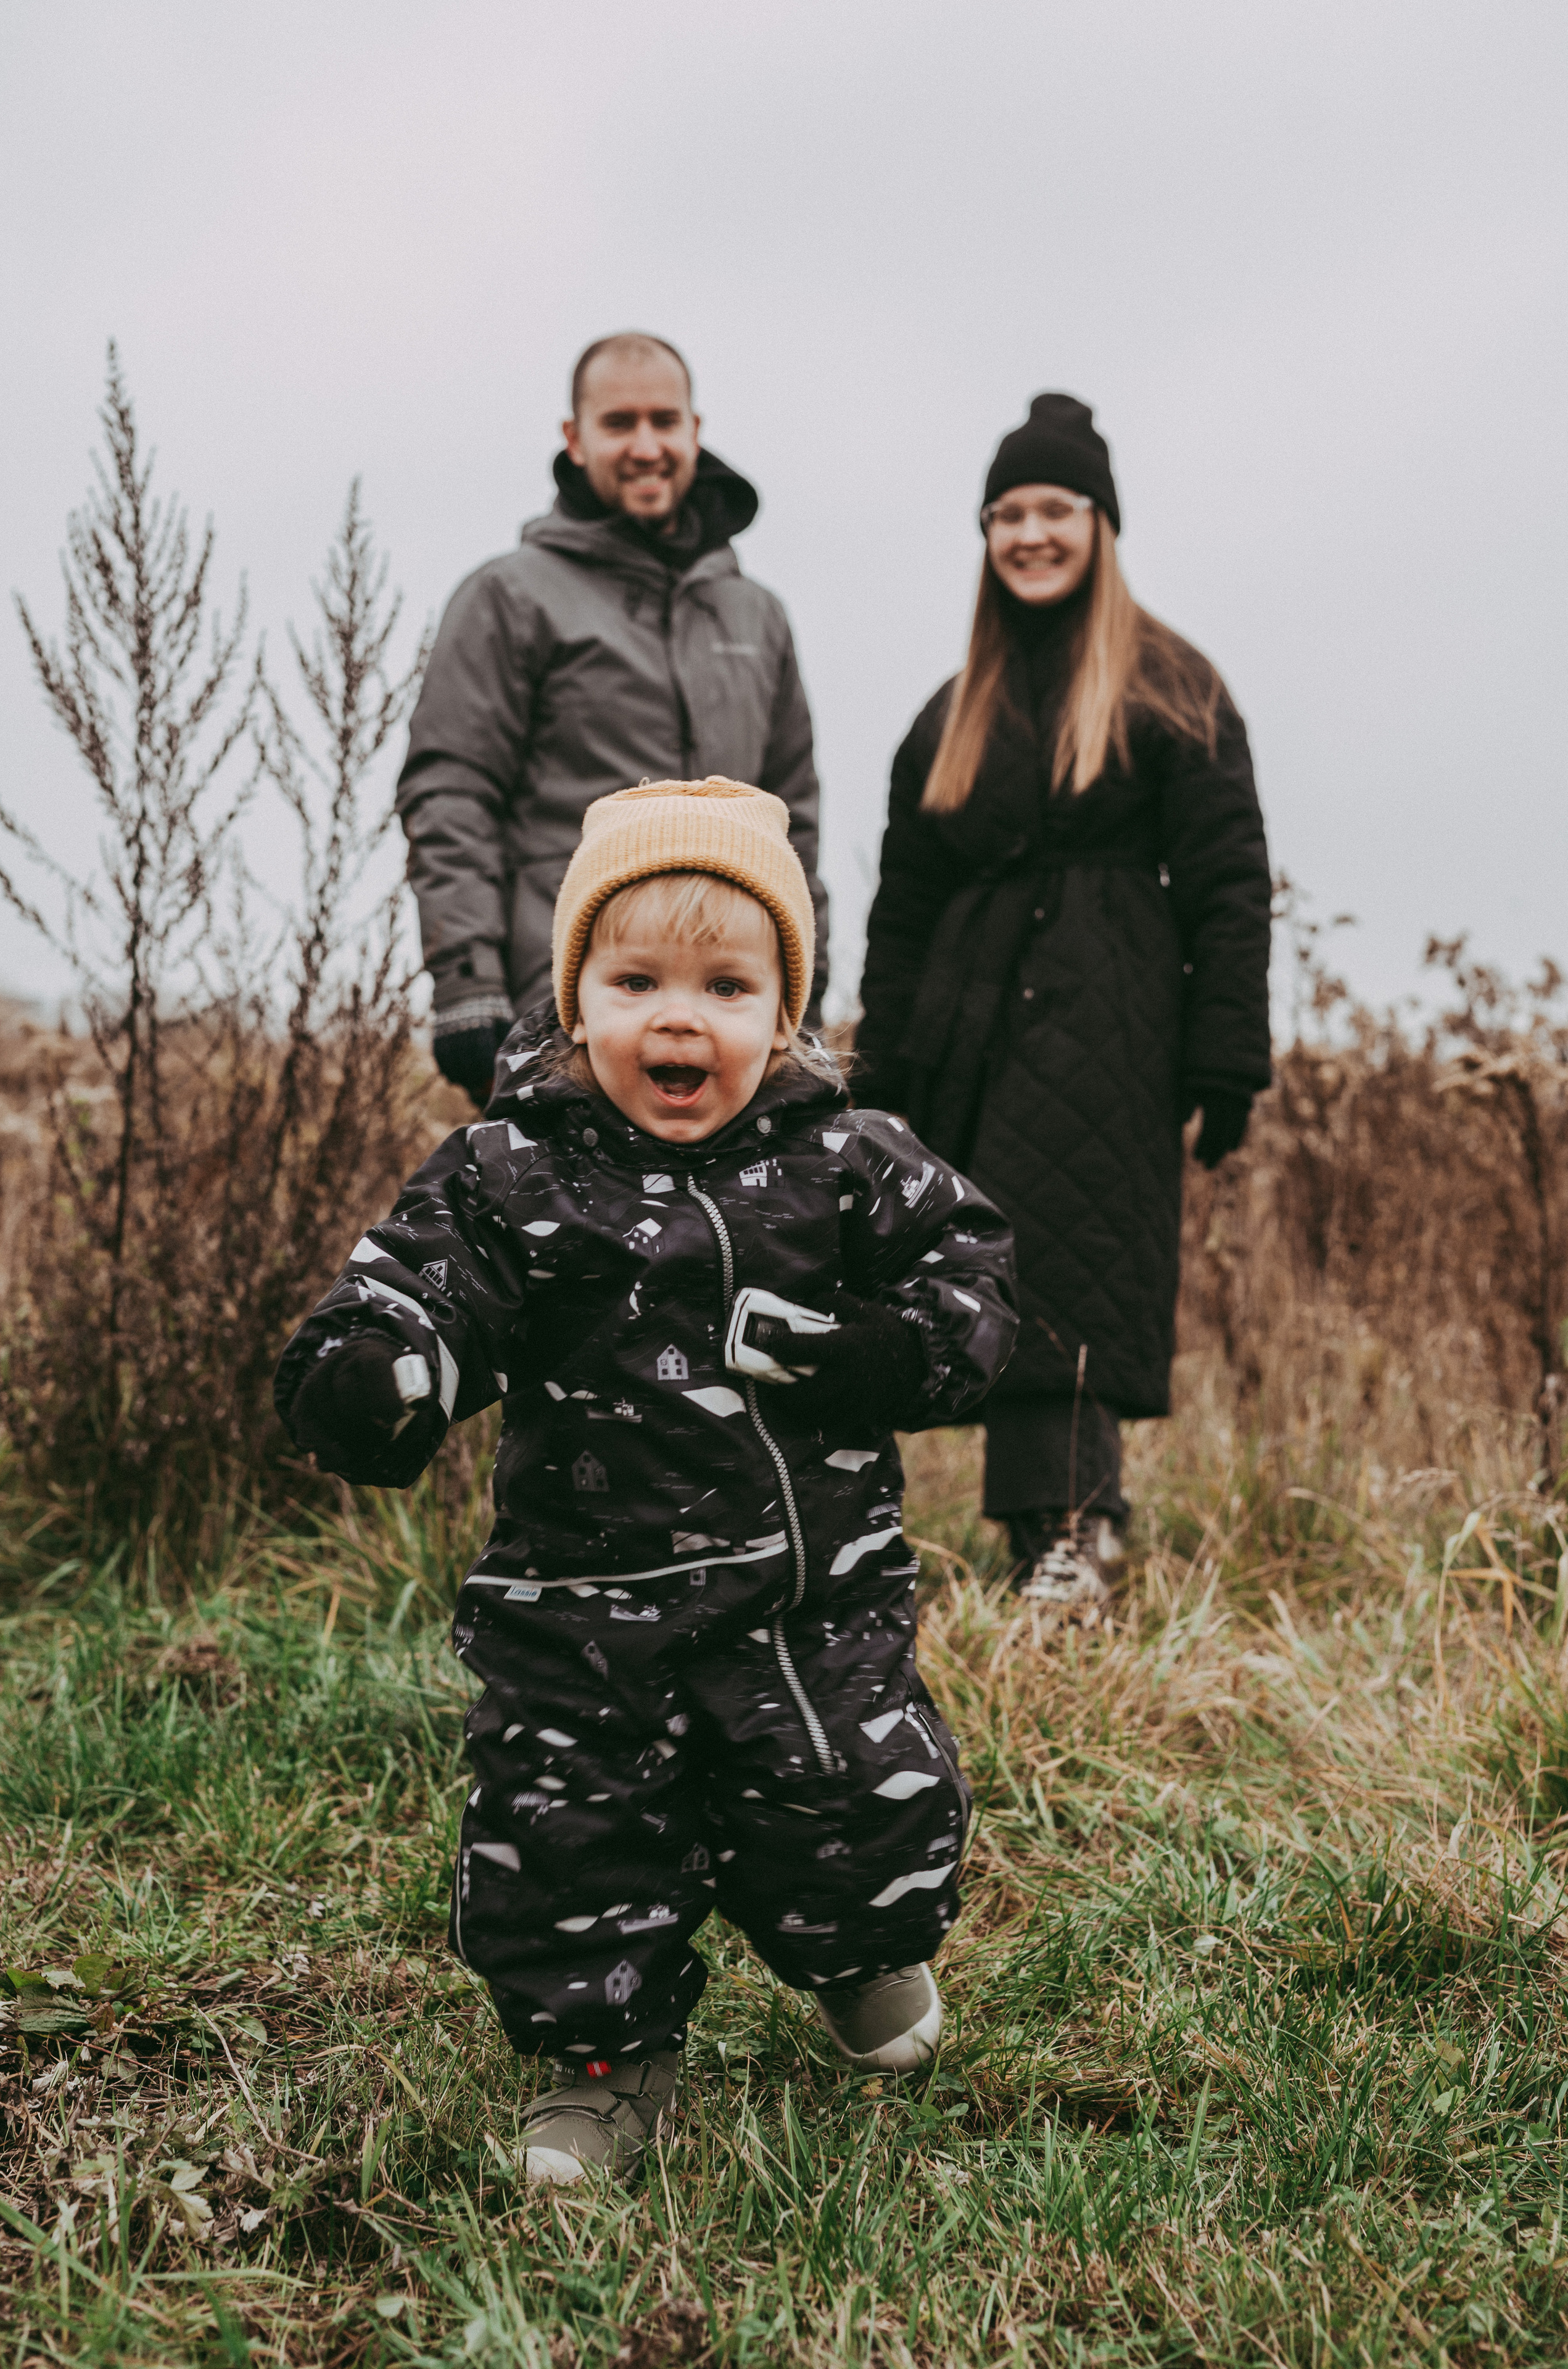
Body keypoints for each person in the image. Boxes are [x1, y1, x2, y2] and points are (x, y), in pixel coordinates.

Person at [276, 776, 1017, 2184]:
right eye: (635, 978)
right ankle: (599, 2064)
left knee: (851, 1808)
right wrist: (382, 1366)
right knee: (572, 1840)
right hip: (580, 1614)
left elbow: (969, 1280)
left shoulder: (845, 1165)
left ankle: (862, 1953)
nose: (679, 1015)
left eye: (726, 984)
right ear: (573, 1002)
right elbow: (420, 1281)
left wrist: (882, 1353)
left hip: (806, 1606)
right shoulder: (513, 1174)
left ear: (782, 1011)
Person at [854, 394, 1271, 1618]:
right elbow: (901, 899)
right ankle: (1016, 1536)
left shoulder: (1172, 688)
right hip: (964, 1033)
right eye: (1005, 514)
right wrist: (879, 1062)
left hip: (1109, 1027)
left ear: (1099, 524)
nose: (1028, 534)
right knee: (971, 1278)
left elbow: (1225, 883)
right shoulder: (950, 712)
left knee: (1071, 1275)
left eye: (1052, 509)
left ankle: (1074, 1541)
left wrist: (1223, 1061)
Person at [396, 332, 830, 1107]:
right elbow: (452, 795)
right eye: (619, 423)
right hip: (558, 1017)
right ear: (574, 438)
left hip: (728, 1032)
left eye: (664, 422)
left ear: (696, 430)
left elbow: (793, 818)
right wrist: (468, 985)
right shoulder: (509, 598)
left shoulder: (756, 615)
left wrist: (807, 985)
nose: (645, 446)